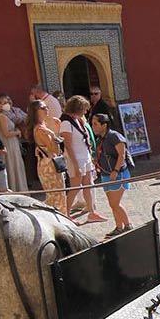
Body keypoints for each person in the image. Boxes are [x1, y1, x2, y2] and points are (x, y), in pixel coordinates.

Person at [61, 95, 105, 223]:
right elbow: (68, 146)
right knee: (75, 187)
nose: (85, 112)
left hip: (84, 156)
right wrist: (76, 164)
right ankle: (66, 214)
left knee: (88, 185)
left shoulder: (79, 120)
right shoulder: (66, 122)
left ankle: (92, 212)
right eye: (84, 109)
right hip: (76, 159)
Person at [91, 113, 133, 236]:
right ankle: (119, 227)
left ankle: (128, 225)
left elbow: (122, 155)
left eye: (95, 124)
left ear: (104, 125)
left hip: (118, 174)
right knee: (112, 204)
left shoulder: (115, 136)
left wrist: (115, 170)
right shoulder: (100, 139)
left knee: (115, 203)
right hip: (105, 174)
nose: (93, 127)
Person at [30, 100, 67, 214]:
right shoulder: (41, 130)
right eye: (43, 108)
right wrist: (55, 132)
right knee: (56, 196)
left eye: (47, 107)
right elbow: (55, 149)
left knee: (57, 195)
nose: (47, 109)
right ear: (36, 112)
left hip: (48, 163)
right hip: (49, 165)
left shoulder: (43, 126)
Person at [0, 94, 29, 192]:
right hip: (9, 143)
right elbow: (6, 133)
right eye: (3, 103)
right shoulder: (2, 116)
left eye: (7, 102)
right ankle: (17, 189)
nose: (6, 105)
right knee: (13, 166)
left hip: (7, 143)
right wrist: (17, 132)